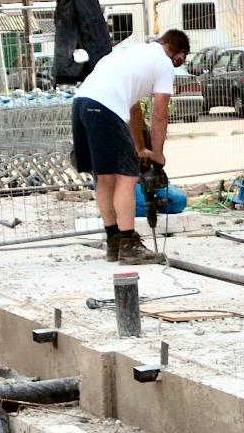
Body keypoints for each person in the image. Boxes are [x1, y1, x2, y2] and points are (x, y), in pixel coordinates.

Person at [72, 29, 190, 265]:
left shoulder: (132, 52)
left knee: (104, 177)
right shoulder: (163, 64)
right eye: (179, 62)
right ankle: (129, 244)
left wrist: (139, 148)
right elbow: (159, 115)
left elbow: (134, 109)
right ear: (177, 54)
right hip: (106, 107)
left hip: (81, 104)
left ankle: (113, 240)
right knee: (127, 177)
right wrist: (158, 154)